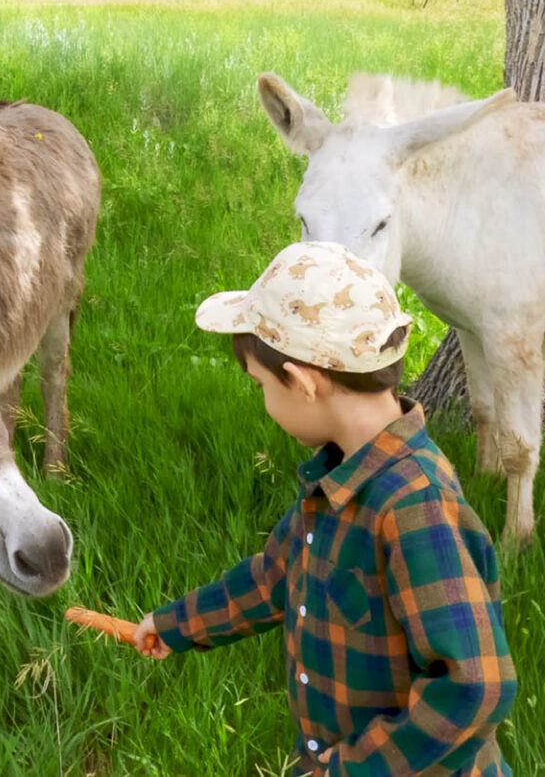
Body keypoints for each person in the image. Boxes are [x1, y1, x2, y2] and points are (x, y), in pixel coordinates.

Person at [133, 241, 516, 776]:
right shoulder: (336, 475)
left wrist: (349, 770)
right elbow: (272, 579)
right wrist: (176, 625)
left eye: (262, 385)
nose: (265, 401)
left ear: (304, 383)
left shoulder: (413, 505)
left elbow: (474, 685)